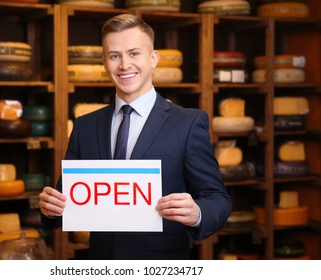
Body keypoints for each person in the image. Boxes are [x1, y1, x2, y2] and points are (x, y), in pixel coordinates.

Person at [39, 13, 232, 260]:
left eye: (133, 53)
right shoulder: (85, 126)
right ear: (104, 62)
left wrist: (198, 213)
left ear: (153, 59)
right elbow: (66, 198)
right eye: (114, 56)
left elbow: (218, 199)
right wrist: (50, 208)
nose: (124, 65)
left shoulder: (188, 123)